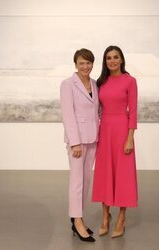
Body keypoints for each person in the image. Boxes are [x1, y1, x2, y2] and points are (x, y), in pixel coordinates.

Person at [92, 45, 138, 238]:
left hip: (122, 131)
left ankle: (121, 218)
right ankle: (105, 217)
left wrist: (130, 139)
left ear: (121, 60)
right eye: (108, 58)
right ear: (105, 61)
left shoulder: (130, 81)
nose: (112, 61)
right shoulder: (101, 82)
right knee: (104, 174)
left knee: (123, 175)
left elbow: (133, 112)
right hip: (105, 131)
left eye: (115, 57)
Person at [60, 48, 99, 242]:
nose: (85, 66)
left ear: (93, 64)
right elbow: (68, 115)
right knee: (76, 182)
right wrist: (75, 143)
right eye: (81, 63)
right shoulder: (68, 84)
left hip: (93, 139)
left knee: (86, 181)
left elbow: (95, 112)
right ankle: (77, 221)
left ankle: (78, 218)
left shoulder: (94, 83)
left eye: (89, 63)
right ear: (75, 64)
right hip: (78, 142)